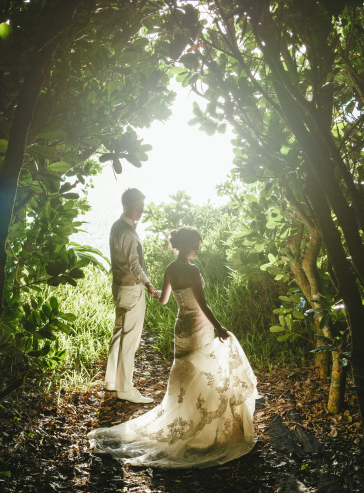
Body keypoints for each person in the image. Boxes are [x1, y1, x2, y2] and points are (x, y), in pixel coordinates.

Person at [89, 226, 259, 468]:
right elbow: (204, 305)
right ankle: (199, 424)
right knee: (202, 370)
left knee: (188, 370)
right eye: (195, 245)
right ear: (185, 245)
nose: (198, 248)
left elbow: (165, 299)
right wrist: (220, 328)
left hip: (181, 325)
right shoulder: (191, 270)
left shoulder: (170, 268)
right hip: (198, 324)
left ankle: (187, 417)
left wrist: (155, 292)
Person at [105, 188, 158, 404]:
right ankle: (125, 388)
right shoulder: (127, 232)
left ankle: (111, 381)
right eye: (138, 208)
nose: (141, 212)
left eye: (142, 209)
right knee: (130, 339)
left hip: (118, 287)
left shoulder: (117, 227)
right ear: (126, 206)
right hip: (131, 289)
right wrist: (148, 284)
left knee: (119, 333)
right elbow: (134, 264)